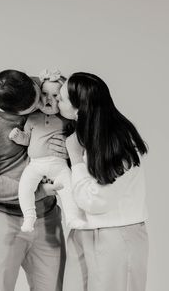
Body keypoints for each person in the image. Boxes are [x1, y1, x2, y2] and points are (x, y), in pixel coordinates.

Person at [0, 69, 67, 291]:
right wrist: (37, 191)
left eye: (40, 94)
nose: (43, 104)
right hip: (1, 218)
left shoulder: (47, 87)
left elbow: (83, 119)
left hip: (47, 217)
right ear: (7, 111)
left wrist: (70, 147)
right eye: (33, 106)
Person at [56, 72, 149, 291]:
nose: (54, 102)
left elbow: (96, 202)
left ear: (79, 107)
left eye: (60, 98)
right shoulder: (83, 132)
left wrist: (76, 158)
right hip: (83, 233)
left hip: (116, 236)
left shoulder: (118, 141)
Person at [9, 69, 85, 232]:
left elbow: (76, 143)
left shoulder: (66, 119)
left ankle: (72, 218)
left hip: (59, 165)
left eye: (56, 96)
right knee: (24, 187)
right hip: (35, 164)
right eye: (44, 93)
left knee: (68, 189)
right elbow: (27, 139)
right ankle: (29, 216)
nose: (49, 99)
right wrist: (18, 136)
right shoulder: (32, 118)